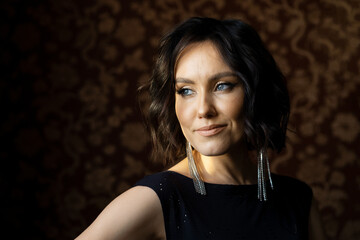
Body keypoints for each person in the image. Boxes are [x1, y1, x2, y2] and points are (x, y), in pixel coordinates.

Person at [75, 17, 325, 240]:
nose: (203, 109)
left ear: (255, 93)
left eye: (222, 86)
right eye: (186, 91)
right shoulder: (157, 199)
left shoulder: (298, 200)